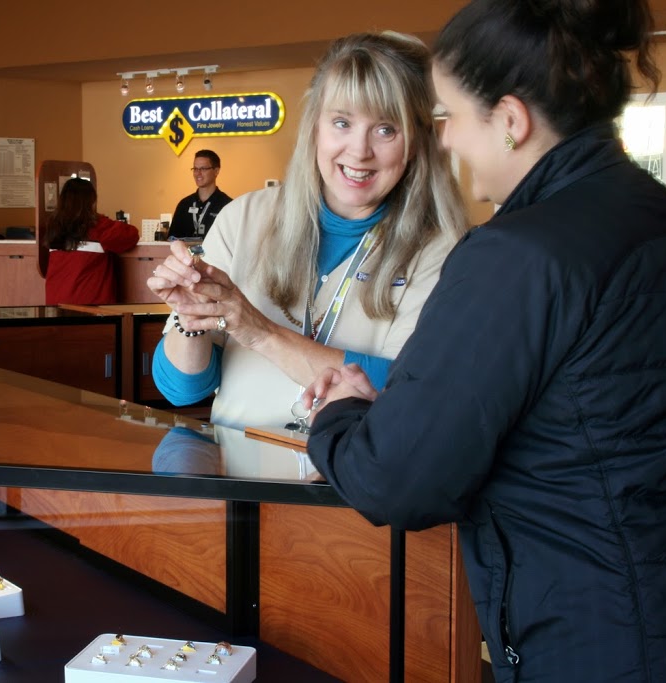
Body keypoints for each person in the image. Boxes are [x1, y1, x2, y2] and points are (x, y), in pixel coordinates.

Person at [302, 2, 666, 681]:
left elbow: (399, 479)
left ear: (511, 121)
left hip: (594, 640)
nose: (445, 142)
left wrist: (339, 415)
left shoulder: (518, 254)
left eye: (450, 118)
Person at [147, 32, 468, 429]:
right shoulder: (242, 218)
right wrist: (190, 310)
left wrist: (259, 331)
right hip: (239, 475)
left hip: (346, 483)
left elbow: (408, 386)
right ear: (315, 127)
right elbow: (182, 389)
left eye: (386, 129)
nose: (359, 151)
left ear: (417, 142)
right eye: (341, 122)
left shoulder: (443, 250)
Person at [43, 178, 139, 305]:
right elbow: (131, 235)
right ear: (91, 201)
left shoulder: (54, 226)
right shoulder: (98, 225)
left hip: (55, 303)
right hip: (89, 306)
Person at [166, 150, 232, 240]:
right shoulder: (184, 204)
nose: (198, 173)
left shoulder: (227, 205)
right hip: (185, 254)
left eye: (203, 169)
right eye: (195, 169)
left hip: (214, 254)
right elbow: (172, 239)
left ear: (216, 171)